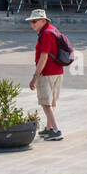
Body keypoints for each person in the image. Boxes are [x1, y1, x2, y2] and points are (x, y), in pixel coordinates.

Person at [26, 8, 65, 140]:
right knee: (51, 102)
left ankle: (56, 131)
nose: (32, 24)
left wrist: (35, 77)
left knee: (46, 103)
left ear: (43, 21)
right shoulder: (52, 29)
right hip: (58, 71)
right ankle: (49, 128)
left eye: (34, 21)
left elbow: (44, 57)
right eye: (31, 22)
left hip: (47, 72)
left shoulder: (46, 34)